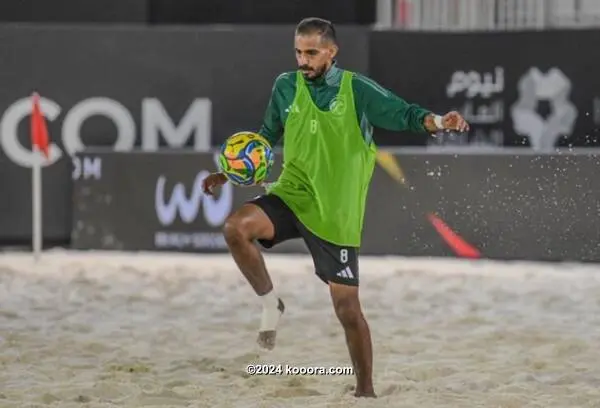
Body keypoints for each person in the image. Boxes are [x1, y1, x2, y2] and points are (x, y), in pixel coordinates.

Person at [202, 17, 469, 398]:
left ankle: (365, 391)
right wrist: (226, 172)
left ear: (332, 51)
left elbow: (405, 114)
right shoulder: (285, 85)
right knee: (234, 228)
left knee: (347, 311)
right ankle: (269, 304)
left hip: (336, 214)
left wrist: (441, 121)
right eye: (298, 51)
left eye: (311, 52)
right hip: (291, 194)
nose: (303, 60)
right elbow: (263, 139)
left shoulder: (356, 89)